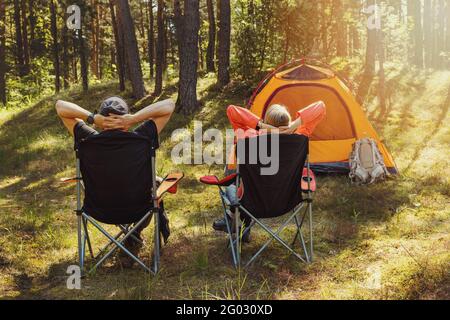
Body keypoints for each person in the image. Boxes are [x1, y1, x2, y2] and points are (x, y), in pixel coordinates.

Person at [55, 96, 175, 262]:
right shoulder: (142, 137)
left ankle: (132, 240)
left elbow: (60, 106)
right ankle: (134, 237)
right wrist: (134, 119)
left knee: (154, 183)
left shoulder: (87, 139)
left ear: (102, 120)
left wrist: (92, 118)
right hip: (139, 209)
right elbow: (169, 105)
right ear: (125, 118)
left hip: (99, 210)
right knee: (155, 188)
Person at [213, 101, 326, 241]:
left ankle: (234, 221)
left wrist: (261, 126)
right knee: (244, 189)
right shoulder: (300, 136)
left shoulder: (250, 136)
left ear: (267, 121)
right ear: (288, 122)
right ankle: (241, 227)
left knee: (232, 188)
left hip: (253, 201)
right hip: (286, 201)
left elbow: (232, 110)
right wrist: (294, 126)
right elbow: (320, 107)